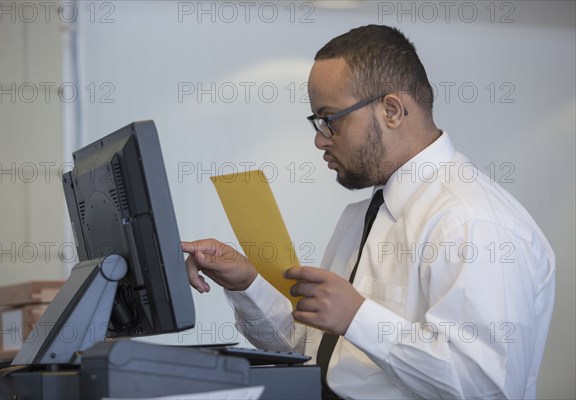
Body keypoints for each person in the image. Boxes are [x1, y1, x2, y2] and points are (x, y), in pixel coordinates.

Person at [181, 25, 555, 399]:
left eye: (330, 118)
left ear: (391, 110)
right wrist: (246, 284)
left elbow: (488, 387)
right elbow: (315, 353)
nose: (319, 139)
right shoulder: (361, 216)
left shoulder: (471, 221)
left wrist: (359, 318)